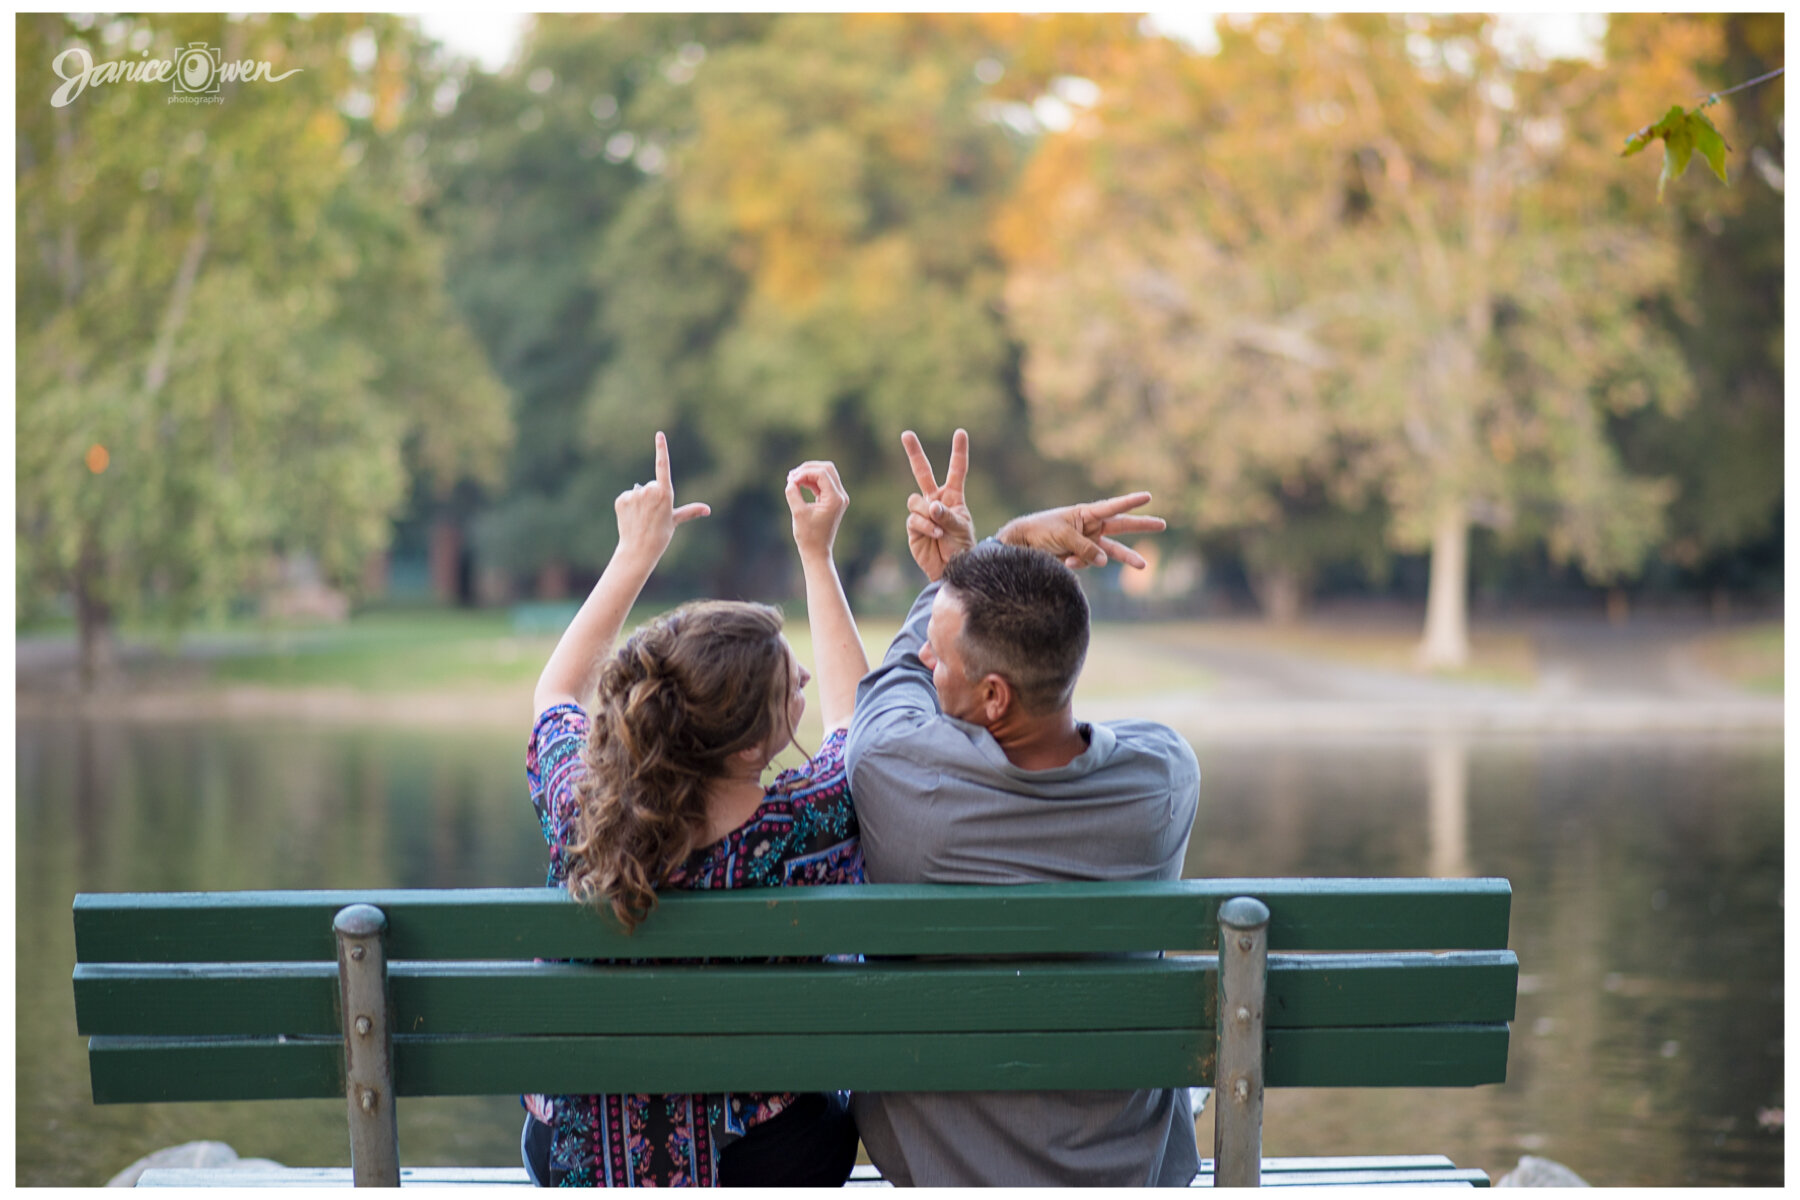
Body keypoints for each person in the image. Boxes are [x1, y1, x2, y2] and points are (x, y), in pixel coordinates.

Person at [844, 429, 1201, 1187]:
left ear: (994, 697)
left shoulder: (894, 776)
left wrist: (994, 548)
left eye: (939, 655)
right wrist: (988, 569)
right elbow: (1067, 723)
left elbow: (891, 687)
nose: (926, 659)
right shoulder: (1164, 781)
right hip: (1126, 1177)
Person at [520, 432, 869, 1187]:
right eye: (790, 686)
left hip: (578, 1162)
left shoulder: (579, 809)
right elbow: (857, 721)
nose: (807, 680)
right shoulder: (805, 823)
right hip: (763, 1164)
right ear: (748, 749)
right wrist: (817, 556)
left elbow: (555, 693)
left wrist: (633, 555)